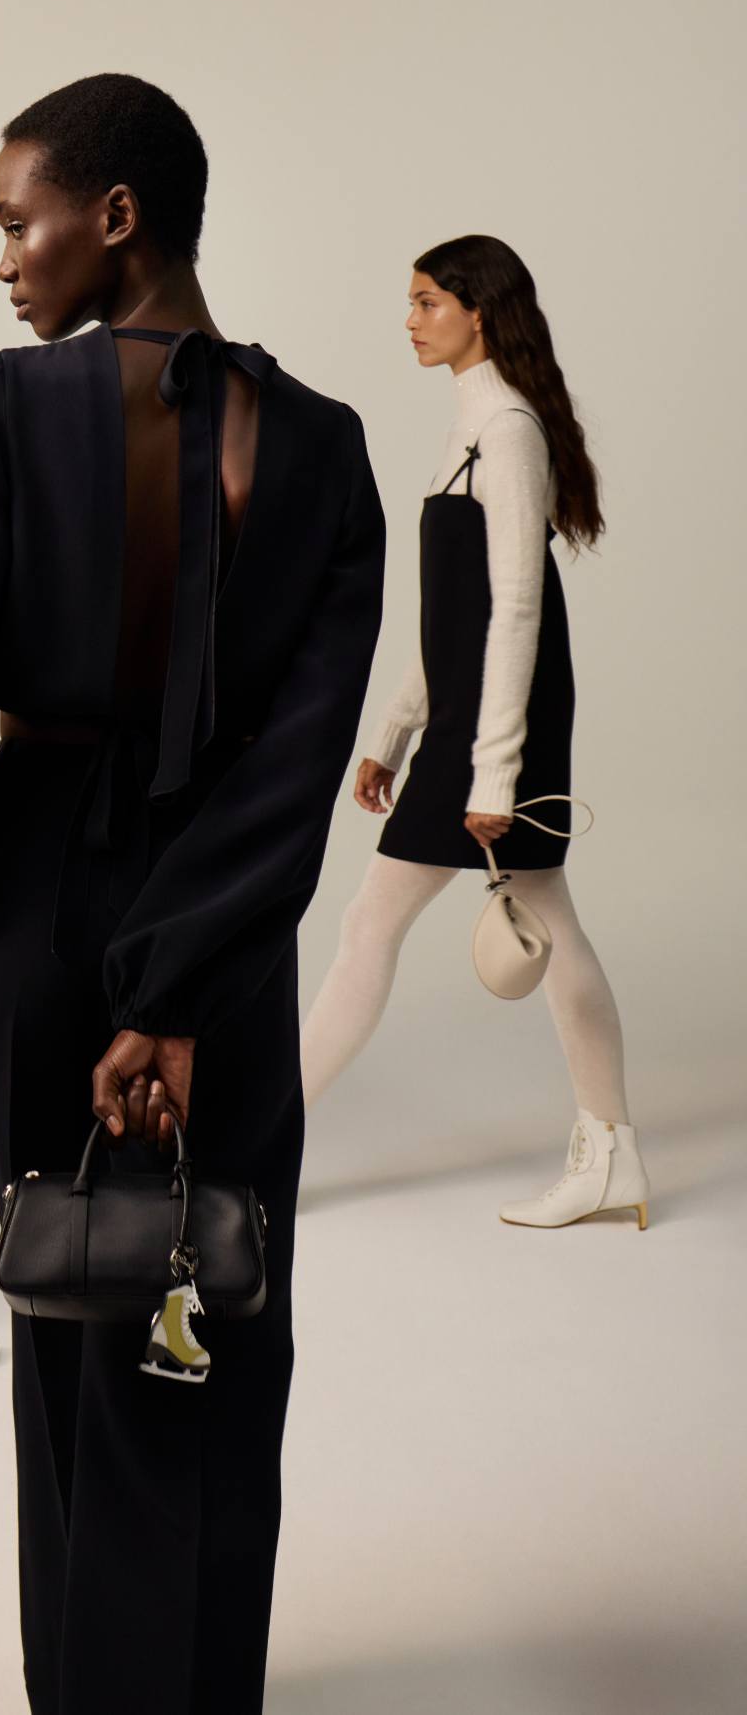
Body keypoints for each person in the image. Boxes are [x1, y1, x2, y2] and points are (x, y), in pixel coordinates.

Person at [0, 75, 385, 1715]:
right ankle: (198, 1682)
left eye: (19, 220)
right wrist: (179, 983)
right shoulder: (323, 444)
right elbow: (300, 756)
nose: (6, 257)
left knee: (71, 1289)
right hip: (228, 918)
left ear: (117, 213)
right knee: (214, 1296)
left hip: (28, 902)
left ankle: (82, 1684)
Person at [299, 234, 649, 1230]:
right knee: (546, 920)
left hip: (502, 727)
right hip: (470, 720)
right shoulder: (475, 428)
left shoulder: (508, 430)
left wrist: (492, 771)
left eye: (426, 302)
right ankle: (612, 1151)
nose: (409, 320)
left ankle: (259, 1143)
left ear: (478, 312)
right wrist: (394, 732)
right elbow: (453, 616)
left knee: (372, 925)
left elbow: (518, 609)